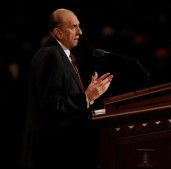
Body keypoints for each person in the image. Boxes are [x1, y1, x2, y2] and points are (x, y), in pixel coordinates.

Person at [20, 8, 113, 169]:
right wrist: (86, 98)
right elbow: (50, 103)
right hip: (54, 150)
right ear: (58, 32)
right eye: (73, 27)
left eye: (79, 26)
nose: (80, 32)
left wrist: (87, 94)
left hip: (63, 146)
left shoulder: (60, 54)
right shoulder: (50, 55)